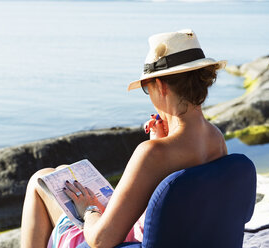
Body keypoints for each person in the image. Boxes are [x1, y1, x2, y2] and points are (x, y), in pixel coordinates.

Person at [21, 29, 228, 248]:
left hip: (126, 242)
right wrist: (161, 139)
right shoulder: (216, 138)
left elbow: (101, 240)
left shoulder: (152, 154)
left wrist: (89, 210)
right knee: (63, 171)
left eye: (147, 89)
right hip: (181, 237)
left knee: (39, 180)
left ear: (161, 86)